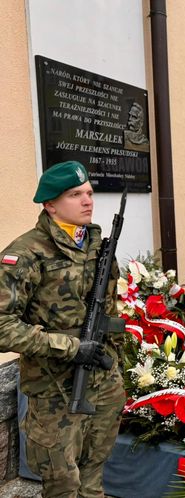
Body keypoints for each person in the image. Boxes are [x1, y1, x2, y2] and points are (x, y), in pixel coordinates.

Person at [0, 161, 125, 497]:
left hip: (103, 378)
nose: (88, 201)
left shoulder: (97, 245)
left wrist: (118, 364)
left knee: (94, 473)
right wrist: (70, 348)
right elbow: (2, 327)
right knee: (63, 483)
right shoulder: (25, 253)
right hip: (55, 390)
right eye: (75, 195)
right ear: (50, 204)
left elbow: (109, 308)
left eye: (88, 193)